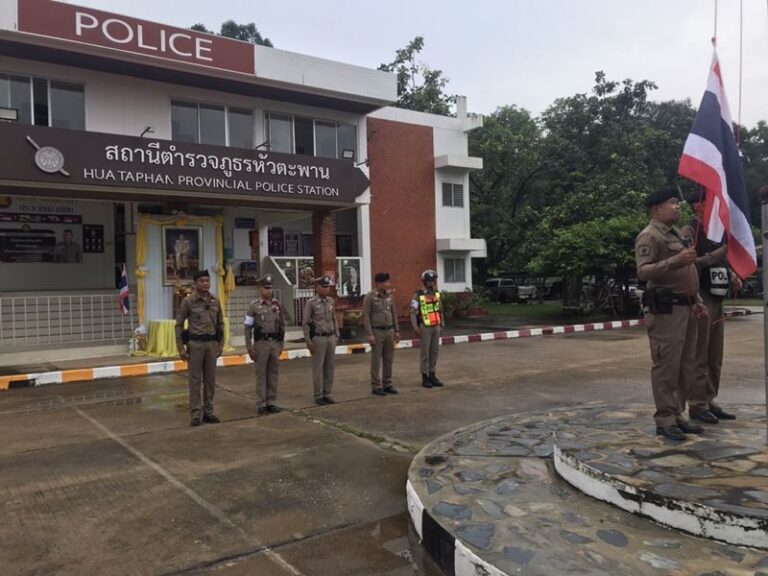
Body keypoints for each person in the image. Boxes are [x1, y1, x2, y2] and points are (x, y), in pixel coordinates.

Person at [635, 188, 709, 442]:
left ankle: (678, 413)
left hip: (686, 307)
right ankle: (665, 418)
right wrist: (675, 260)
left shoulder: (676, 233)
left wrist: (697, 299)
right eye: (672, 203)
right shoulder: (650, 235)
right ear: (656, 209)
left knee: (685, 365)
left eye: (677, 203)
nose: (677, 207)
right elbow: (643, 272)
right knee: (667, 366)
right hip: (666, 311)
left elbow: (688, 273)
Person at [682, 191, 741, 423]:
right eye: (710, 203)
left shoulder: (717, 231)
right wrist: (716, 255)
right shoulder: (690, 231)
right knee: (700, 352)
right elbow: (688, 263)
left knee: (715, 354)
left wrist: (732, 274)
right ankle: (697, 403)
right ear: (698, 206)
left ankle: (709, 397)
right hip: (702, 295)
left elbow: (723, 260)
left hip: (718, 297)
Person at [175, 269, 225, 427]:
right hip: (195, 345)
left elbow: (221, 323)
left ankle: (208, 412)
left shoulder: (215, 300)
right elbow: (178, 325)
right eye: (202, 281)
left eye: (207, 281)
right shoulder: (188, 301)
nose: (205, 284)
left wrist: (221, 344)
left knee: (210, 380)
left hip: (211, 345)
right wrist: (181, 348)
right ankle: (196, 414)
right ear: (195, 283)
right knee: (195, 380)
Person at [244, 275, 286, 415]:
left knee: (273, 373)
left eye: (270, 288)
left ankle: (271, 402)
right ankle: (261, 403)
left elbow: (282, 325)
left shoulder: (277, 305)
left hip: (274, 343)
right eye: (265, 288)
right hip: (261, 344)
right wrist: (249, 347)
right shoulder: (254, 306)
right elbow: (247, 328)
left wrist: (281, 344)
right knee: (261, 374)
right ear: (260, 289)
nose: (268, 291)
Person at [303, 275, 340, 405]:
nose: (326, 289)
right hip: (318, 338)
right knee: (318, 368)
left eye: (327, 287)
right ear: (317, 288)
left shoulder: (330, 301)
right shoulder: (311, 303)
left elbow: (334, 318)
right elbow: (306, 323)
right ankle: (318, 395)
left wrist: (337, 334)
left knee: (330, 367)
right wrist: (308, 341)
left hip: (330, 337)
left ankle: (327, 393)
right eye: (323, 287)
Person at [363, 272, 400, 396]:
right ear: (379, 283)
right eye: (386, 282)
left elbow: (394, 313)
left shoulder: (389, 296)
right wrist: (369, 334)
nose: (388, 284)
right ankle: (376, 385)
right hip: (377, 331)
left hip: (389, 330)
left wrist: (397, 330)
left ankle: (387, 383)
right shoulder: (370, 297)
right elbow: (366, 316)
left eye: (388, 282)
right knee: (376, 360)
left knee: (389, 359)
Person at [410, 269, 445, 388]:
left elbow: (440, 310)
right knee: (425, 353)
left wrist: (442, 324)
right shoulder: (418, 295)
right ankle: (425, 377)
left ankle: (432, 375)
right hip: (425, 327)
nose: (431, 283)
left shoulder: (436, 294)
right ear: (424, 281)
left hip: (436, 326)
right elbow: (413, 312)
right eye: (429, 280)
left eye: (433, 280)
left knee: (434, 352)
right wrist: (415, 327)